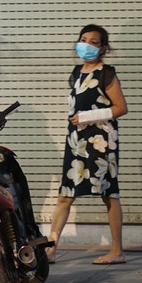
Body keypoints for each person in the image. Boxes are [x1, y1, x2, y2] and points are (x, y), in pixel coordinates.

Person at [47, 24, 128, 265]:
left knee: (109, 194)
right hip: (76, 142)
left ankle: (117, 251)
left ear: (103, 48)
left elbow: (121, 107)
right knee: (65, 194)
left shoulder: (106, 73)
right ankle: (51, 249)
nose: (86, 45)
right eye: (83, 40)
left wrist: (88, 117)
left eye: (93, 42)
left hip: (101, 142)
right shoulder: (76, 73)